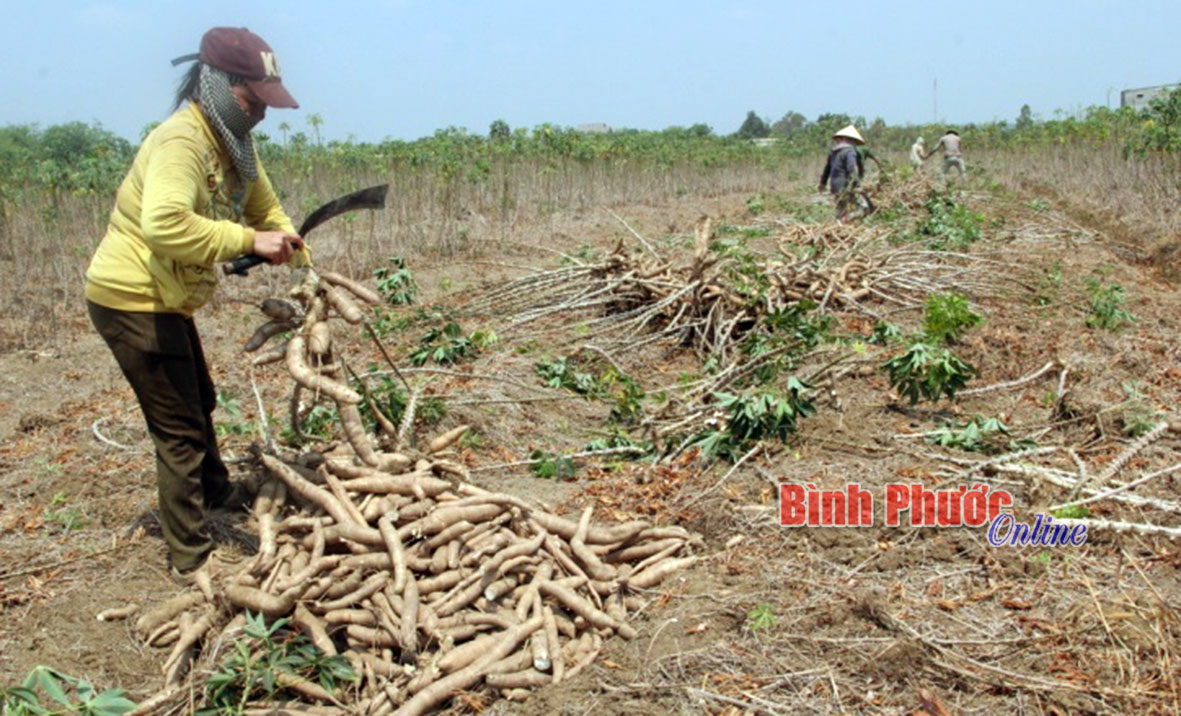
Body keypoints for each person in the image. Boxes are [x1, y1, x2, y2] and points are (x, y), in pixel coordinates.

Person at [85, 27, 309, 578]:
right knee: (179, 428)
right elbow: (164, 225)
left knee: (199, 398)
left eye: (266, 103)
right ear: (218, 84)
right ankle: (190, 558)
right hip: (132, 298)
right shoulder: (182, 142)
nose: (261, 113)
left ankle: (217, 492)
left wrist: (303, 263)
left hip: (166, 296)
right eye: (252, 100)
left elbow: (267, 210)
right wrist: (247, 241)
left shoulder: (234, 143)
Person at [818, 124, 866, 222]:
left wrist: (822, 183)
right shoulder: (850, 151)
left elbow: (827, 169)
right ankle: (844, 221)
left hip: (835, 186)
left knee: (841, 207)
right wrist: (857, 184)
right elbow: (851, 167)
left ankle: (839, 221)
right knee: (860, 209)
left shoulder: (833, 152)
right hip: (845, 186)